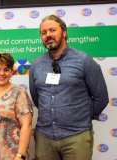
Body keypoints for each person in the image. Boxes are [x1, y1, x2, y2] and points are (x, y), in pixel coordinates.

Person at [29, 15, 109, 160]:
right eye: (44, 33)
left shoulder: (84, 61)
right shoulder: (36, 65)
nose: (48, 35)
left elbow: (101, 98)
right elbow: (36, 98)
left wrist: (80, 117)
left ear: (64, 32)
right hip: (44, 138)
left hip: (76, 137)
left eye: (52, 30)